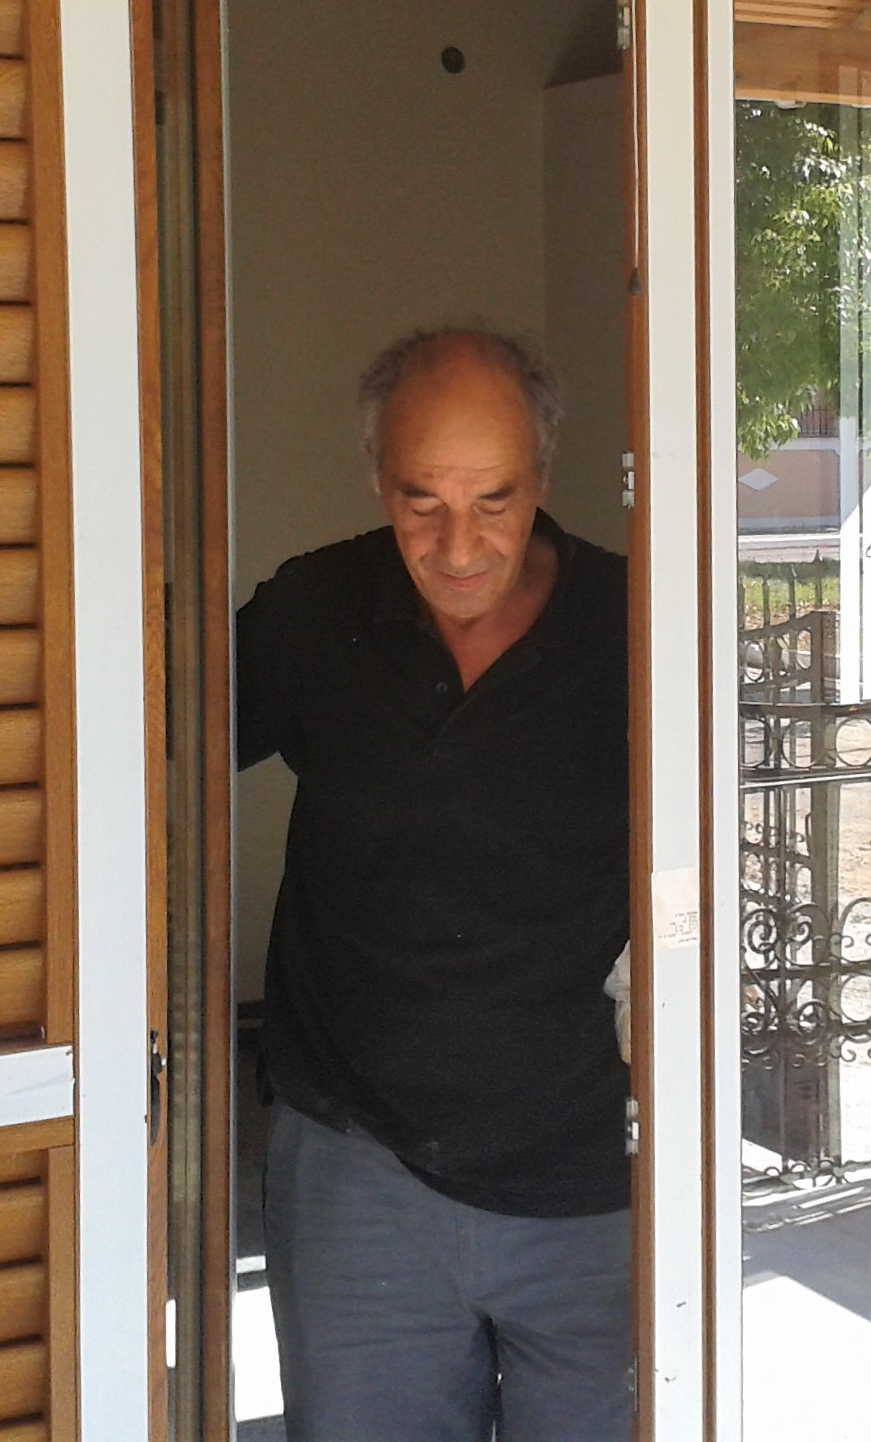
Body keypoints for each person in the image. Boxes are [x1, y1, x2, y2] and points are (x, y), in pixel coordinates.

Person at [236, 325, 633, 1442]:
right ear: (377, 478)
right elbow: (143, 745)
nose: (459, 546)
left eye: (494, 500)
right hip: (359, 1177)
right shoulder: (318, 612)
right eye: (422, 502)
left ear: (542, 478)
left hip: (593, 1181)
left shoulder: (630, 625)